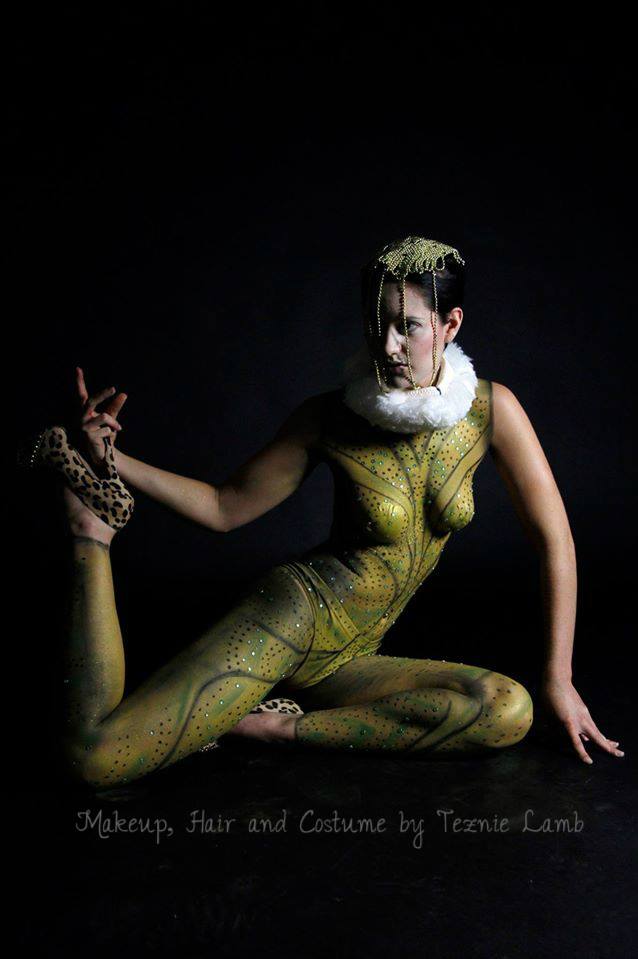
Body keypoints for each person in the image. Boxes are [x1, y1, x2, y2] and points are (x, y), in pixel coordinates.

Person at [24, 236, 623, 789]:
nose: (387, 345)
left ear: (450, 325)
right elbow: (223, 507)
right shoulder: (330, 417)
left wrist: (559, 678)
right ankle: (89, 531)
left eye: (408, 327)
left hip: (351, 660)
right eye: (376, 325)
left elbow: (556, 542)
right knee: (94, 758)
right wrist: (113, 461)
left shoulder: (492, 410)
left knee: (506, 709)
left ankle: (272, 727)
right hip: (292, 619)